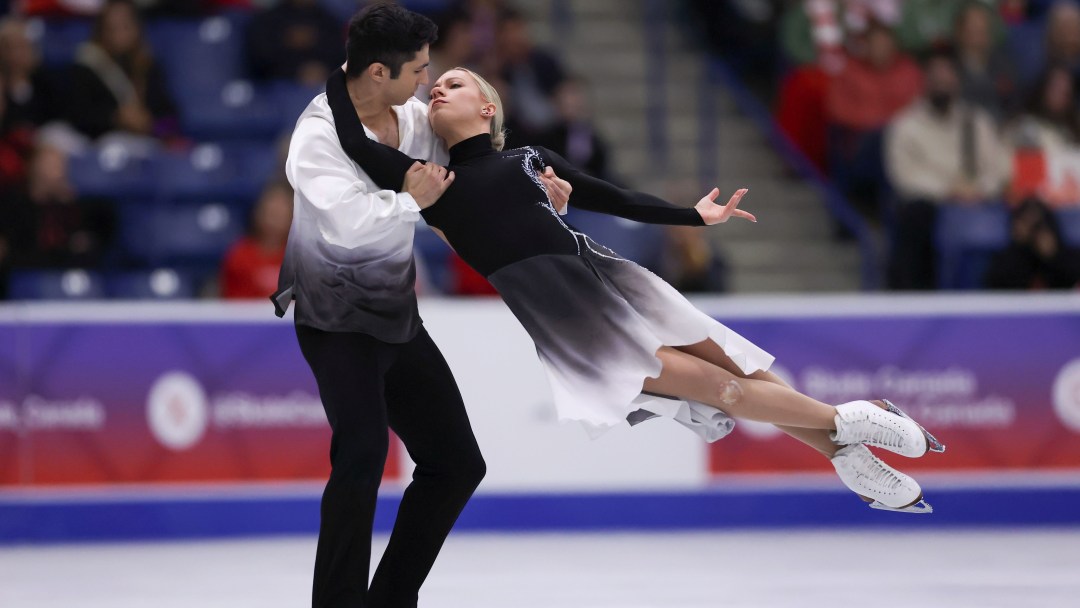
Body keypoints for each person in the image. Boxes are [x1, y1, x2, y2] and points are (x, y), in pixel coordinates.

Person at [324, 65, 947, 518]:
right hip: (573, 325)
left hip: (613, 280)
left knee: (740, 369)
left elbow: (614, 197)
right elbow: (353, 141)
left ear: (489, 108)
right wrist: (353, 68)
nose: (439, 87)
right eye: (437, 83)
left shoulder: (528, 161)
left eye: (456, 83)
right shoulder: (431, 185)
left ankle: (847, 458)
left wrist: (693, 217)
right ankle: (855, 420)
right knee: (726, 391)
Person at [270, 4, 571, 607]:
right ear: (379, 72)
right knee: (360, 458)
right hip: (333, 319)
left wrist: (539, 195)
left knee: (456, 464)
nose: (427, 82)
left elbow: (474, 170)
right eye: (419, 70)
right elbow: (348, 224)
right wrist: (412, 203)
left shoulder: (412, 117)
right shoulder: (315, 139)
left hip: (395, 317)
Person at [883, 47, 1007, 290]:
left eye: (947, 78)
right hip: (931, 204)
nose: (941, 84)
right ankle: (918, 299)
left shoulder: (977, 121)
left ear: (957, 82)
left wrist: (978, 190)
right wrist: (949, 191)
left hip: (978, 201)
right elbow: (904, 176)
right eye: (935, 79)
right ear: (924, 82)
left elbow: (1000, 167)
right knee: (915, 215)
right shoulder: (905, 125)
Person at [219, 181, 292, 299]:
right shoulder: (240, 255)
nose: (274, 222)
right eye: (271, 213)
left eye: (280, 215)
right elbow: (234, 304)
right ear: (258, 213)